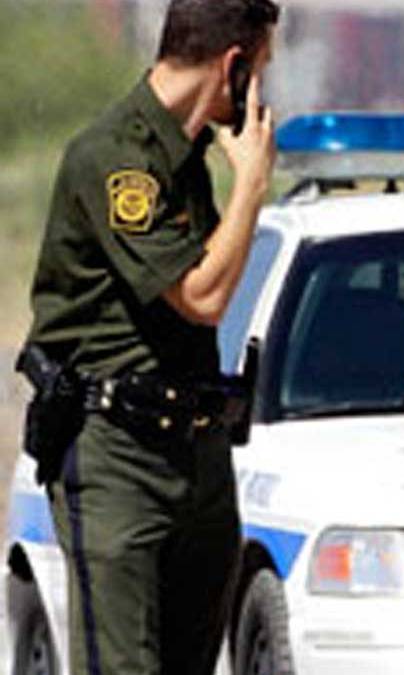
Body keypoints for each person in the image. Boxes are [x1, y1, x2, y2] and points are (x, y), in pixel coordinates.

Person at [19, 0, 279, 672]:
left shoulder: (183, 160)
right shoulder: (115, 157)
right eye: (262, 70)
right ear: (233, 65)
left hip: (198, 454)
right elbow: (203, 296)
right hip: (119, 460)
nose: (263, 93)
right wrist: (252, 183)